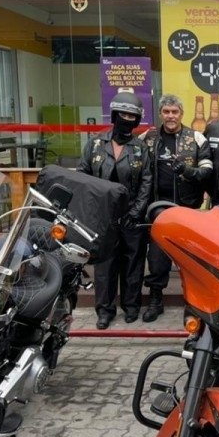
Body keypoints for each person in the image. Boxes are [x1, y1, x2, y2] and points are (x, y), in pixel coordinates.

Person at [76, 91, 152, 329]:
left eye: (132, 116)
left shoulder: (140, 148)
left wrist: (136, 212)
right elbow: (83, 177)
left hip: (132, 216)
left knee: (133, 263)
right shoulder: (96, 144)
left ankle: (131, 306)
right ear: (114, 115)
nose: (127, 120)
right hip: (103, 218)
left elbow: (146, 182)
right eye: (123, 115)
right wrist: (92, 211)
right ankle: (105, 310)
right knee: (104, 265)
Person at [139, 94, 213, 322]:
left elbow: (207, 171)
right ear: (160, 114)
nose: (171, 116)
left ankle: (195, 304)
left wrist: (187, 171)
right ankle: (155, 300)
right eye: (166, 112)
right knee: (157, 257)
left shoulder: (197, 138)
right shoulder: (147, 138)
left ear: (182, 114)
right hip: (158, 210)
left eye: (175, 112)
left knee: (190, 259)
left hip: (188, 209)